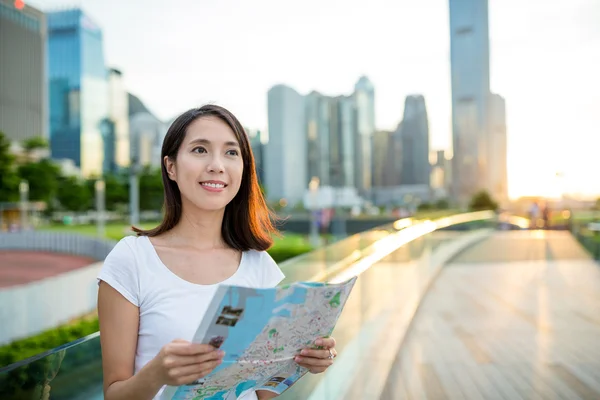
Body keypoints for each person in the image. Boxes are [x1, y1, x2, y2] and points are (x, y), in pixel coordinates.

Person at [97, 105, 338, 400]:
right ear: (170, 166)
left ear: (244, 169)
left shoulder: (259, 264)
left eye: (231, 152)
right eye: (200, 150)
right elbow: (114, 394)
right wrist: (157, 373)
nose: (217, 165)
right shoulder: (132, 259)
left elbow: (260, 392)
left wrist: (301, 363)